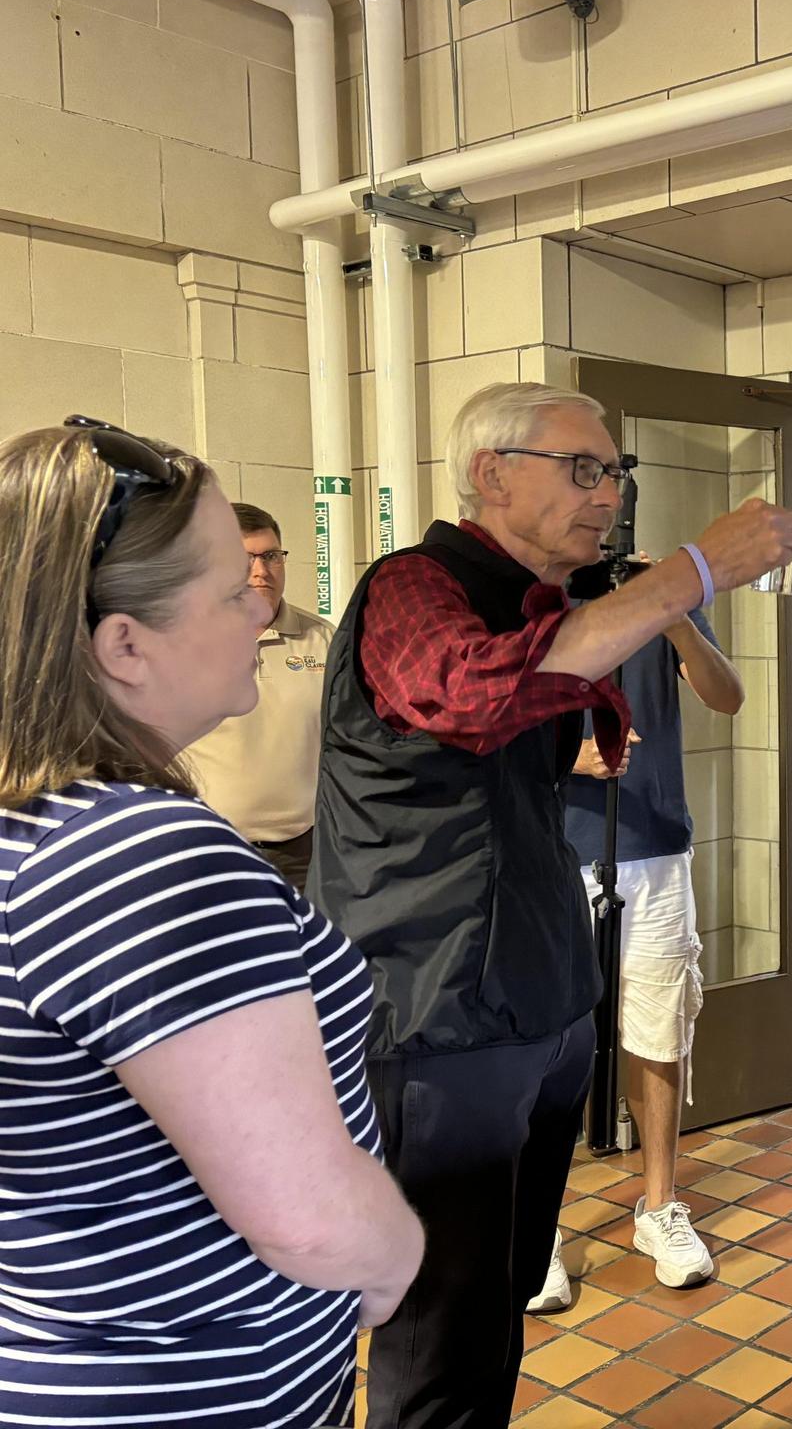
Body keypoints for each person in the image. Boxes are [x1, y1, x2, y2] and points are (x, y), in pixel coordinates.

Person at [308, 382, 792, 1429]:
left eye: (615, 472)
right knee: (438, 1341)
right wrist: (693, 572)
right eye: (582, 469)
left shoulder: (548, 604)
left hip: (538, 1002)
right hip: (438, 1017)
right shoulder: (414, 584)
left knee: (498, 1317)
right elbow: (467, 691)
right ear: (491, 475)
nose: (608, 493)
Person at [0, 420, 422, 1427]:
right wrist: (396, 1256)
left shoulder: (34, 825)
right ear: (124, 645)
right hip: (177, 1390)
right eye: (235, 591)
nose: (262, 614)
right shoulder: (140, 860)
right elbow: (309, 1221)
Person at [528, 570, 744, 1313]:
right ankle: (539, 1229)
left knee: (660, 1029)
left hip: (655, 844)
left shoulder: (664, 594)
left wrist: (678, 609)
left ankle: (659, 1207)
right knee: (552, 1044)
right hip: (554, 850)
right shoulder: (532, 599)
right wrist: (569, 756)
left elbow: (726, 694)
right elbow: (483, 721)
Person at [179, 502, 333, 893]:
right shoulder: (184, 640)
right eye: (246, 558)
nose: (261, 571)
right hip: (211, 849)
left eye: (271, 556)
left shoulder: (325, 639)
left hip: (306, 854)